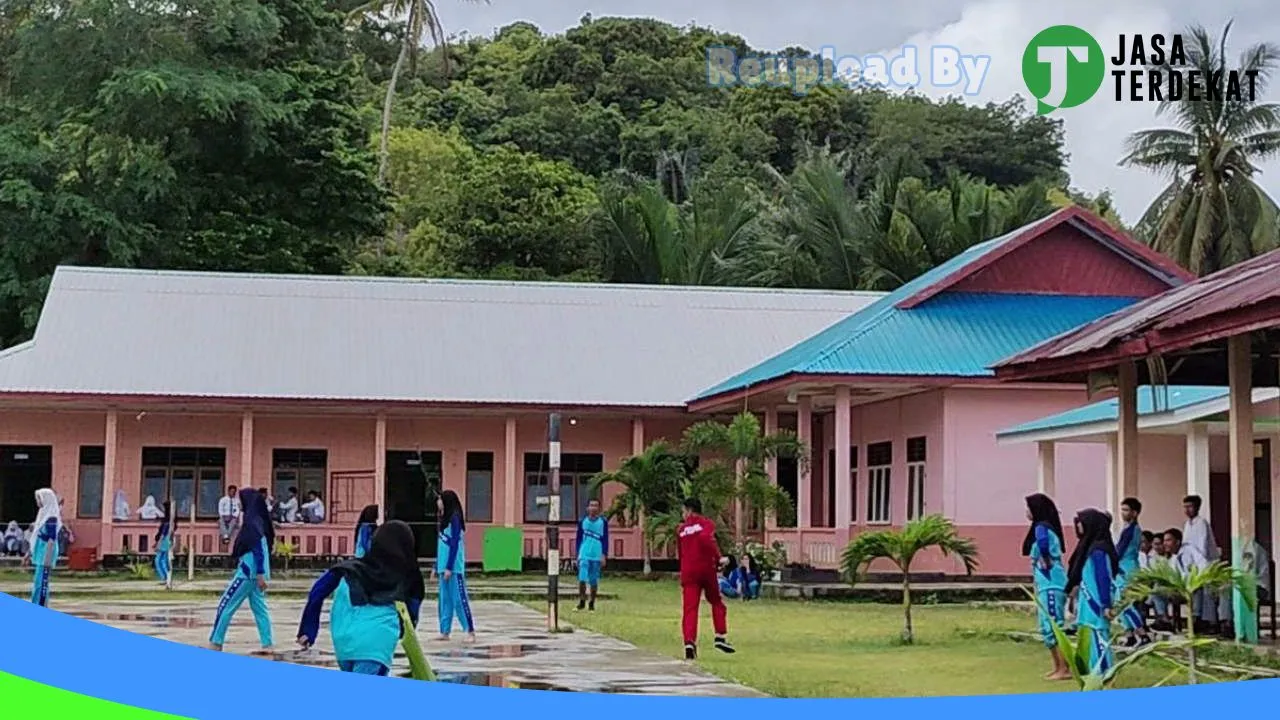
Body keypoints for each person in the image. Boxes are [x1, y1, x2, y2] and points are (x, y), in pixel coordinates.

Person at [297, 520, 425, 675]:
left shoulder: (347, 569)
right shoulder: (408, 576)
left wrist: (308, 630)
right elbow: (412, 613)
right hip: (377, 645)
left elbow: (317, 592)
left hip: (344, 644)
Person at [209, 488, 274, 654]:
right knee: (259, 608)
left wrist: (259, 573)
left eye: (241, 499)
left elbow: (258, 549)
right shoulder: (259, 520)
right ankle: (268, 644)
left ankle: (216, 642)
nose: (239, 503)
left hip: (248, 573)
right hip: (257, 573)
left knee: (226, 605)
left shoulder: (252, 523)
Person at [677, 497, 734, 660]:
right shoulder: (706, 524)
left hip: (688, 572)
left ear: (688, 510)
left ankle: (689, 642)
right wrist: (718, 559)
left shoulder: (681, 530)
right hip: (706, 570)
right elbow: (707, 540)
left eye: (683, 511)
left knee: (690, 609)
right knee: (716, 602)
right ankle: (720, 636)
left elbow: (681, 553)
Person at [1065, 508, 1119, 675]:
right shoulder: (1091, 547)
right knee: (1091, 635)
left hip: (1096, 601)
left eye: (1082, 521)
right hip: (1089, 599)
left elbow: (1103, 577)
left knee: (1098, 637)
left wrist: (1105, 604)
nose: (1078, 525)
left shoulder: (1099, 550)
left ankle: (1103, 674)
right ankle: (1096, 671)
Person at [1023, 493, 1070, 680]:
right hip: (1045, 584)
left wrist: (1045, 557)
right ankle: (1058, 666)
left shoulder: (1042, 527)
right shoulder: (1044, 528)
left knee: (1053, 626)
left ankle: (1064, 667)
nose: (1026, 512)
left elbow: (1042, 543)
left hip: (1051, 583)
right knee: (1046, 627)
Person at [1181, 497, 1227, 632]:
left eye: (1190, 506)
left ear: (1197, 507)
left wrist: (1199, 566)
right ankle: (1198, 618)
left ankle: (1211, 621)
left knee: (1208, 593)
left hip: (1207, 563)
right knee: (1196, 592)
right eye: (1185, 507)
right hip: (1194, 565)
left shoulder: (1201, 523)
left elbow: (1202, 548)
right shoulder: (1187, 525)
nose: (1187, 510)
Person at [436, 490, 475, 643]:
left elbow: (454, 545)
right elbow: (441, 546)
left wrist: (449, 567)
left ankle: (470, 630)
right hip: (442, 566)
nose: (438, 503)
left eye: (440, 500)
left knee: (459, 599)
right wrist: (436, 565)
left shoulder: (455, 519)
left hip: (453, 568)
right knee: (444, 601)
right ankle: (444, 631)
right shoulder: (443, 520)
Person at [1114, 497, 1151, 647]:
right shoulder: (1129, 528)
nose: (1123, 513)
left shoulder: (1131, 530)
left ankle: (1142, 634)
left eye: (1126, 510)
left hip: (1126, 569)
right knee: (1119, 602)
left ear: (1135, 513)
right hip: (1124, 567)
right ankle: (1129, 634)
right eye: (1122, 509)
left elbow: (1120, 550)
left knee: (1126, 604)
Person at [1163, 528, 1209, 632]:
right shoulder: (1173, 559)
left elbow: (1203, 564)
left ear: (1178, 541)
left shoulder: (1190, 550)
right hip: (1181, 589)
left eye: (1168, 540)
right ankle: (1164, 619)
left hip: (1195, 585)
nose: (1165, 543)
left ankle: (1196, 620)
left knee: (1197, 589)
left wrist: (1198, 579)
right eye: (1164, 540)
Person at [26, 488, 61, 607]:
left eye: (39, 498)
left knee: (42, 581)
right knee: (38, 580)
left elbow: (51, 538)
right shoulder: (43, 514)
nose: (38, 501)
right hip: (40, 550)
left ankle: (40, 604)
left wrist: (48, 558)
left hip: (46, 552)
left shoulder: (51, 517)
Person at [575, 498, 608, 611]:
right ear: (587, 508)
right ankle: (582, 600)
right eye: (591, 505)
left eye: (596, 505)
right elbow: (578, 539)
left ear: (599, 508)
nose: (593, 508)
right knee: (582, 578)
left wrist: (604, 554)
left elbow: (605, 539)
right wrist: (577, 555)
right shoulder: (582, 521)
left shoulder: (602, 522)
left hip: (596, 553)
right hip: (584, 553)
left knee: (593, 580)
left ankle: (592, 602)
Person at [154, 500, 176, 587]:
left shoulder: (166, 522)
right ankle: (166, 577)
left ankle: (164, 577)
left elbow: (163, 534)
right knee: (163, 559)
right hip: (167, 540)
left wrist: (158, 544)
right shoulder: (171, 521)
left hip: (164, 541)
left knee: (158, 560)